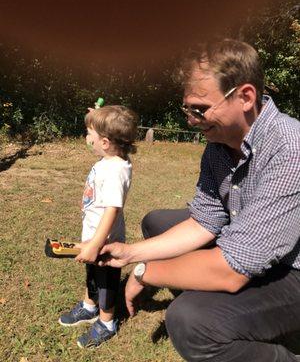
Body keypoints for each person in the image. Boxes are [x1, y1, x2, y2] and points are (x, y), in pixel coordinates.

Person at [99, 39, 300, 361]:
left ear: (245, 97)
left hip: (294, 268)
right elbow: (204, 221)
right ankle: (202, 289)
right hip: (252, 247)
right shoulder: (218, 145)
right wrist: (130, 253)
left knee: (191, 321)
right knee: (158, 222)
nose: (190, 119)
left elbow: (232, 271)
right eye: (187, 108)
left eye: (200, 109)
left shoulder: (291, 149)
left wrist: (145, 272)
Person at [58, 105, 138, 349]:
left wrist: (95, 244)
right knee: (92, 274)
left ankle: (107, 322)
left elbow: (112, 209)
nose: (86, 137)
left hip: (104, 240)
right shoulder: (109, 160)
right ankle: (90, 307)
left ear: (104, 142)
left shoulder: (115, 170)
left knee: (106, 281)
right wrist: (100, 115)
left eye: (89, 133)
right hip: (94, 237)